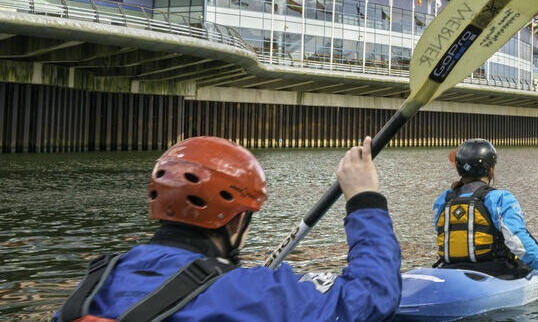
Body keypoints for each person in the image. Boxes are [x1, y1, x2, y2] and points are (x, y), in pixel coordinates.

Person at [56, 136, 401, 322]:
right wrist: (364, 197)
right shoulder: (251, 294)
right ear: (237, 221)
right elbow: (370, 298)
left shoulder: (95, 283)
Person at [433, 138, 538, 279]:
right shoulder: (500, 198)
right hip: (494, 272)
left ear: (459, 168)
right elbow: (518, 242)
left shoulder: (444, 199)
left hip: (449, 270)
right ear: (491, 169)